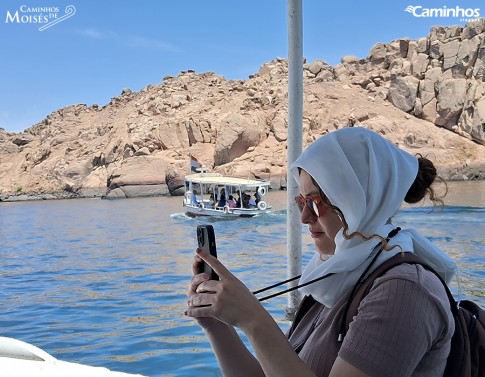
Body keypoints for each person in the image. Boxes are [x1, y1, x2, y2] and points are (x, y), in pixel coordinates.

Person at [186, 127, 457, 377]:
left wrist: (252, 319)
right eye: (301, 201)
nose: (304, 217)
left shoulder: (404, 290)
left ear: (356, 199)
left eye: (316, 202)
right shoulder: (336, 276)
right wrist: (217, 325)